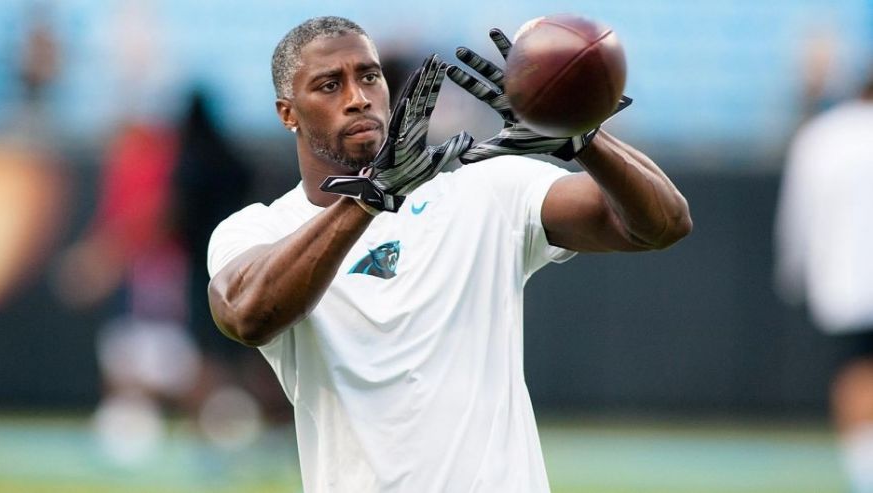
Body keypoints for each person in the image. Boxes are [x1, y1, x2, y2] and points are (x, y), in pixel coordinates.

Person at [207, 16, 691, 492]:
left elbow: (663, 225)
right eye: (329, 85)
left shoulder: (484, 190)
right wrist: (368, 200)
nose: (358, 98)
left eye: (369, 76)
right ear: (288, 112)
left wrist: (584, 140)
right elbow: (249, 314)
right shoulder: (259, 229)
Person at [774, 72, 873, 493]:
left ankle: (865, 473)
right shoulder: (823, 136)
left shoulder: (822, 136)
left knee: (856, 373)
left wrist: (793, 270)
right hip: (849, 279)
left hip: (846, 283)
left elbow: (799, 212)